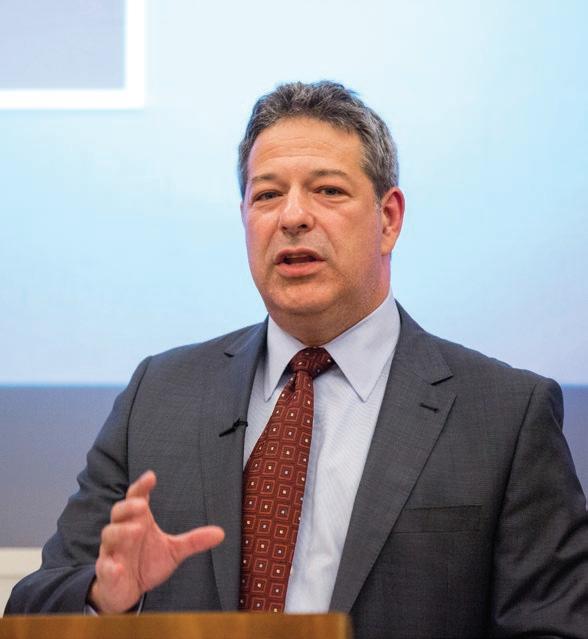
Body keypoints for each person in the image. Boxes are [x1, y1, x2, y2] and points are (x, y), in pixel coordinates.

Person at [6, 81, 588, 638]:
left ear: (388, 219)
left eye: (327, 190)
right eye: (266, 195)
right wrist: (107, 599)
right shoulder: (158, 394)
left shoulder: (505, 415)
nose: (292, 217)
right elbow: (32, 606)